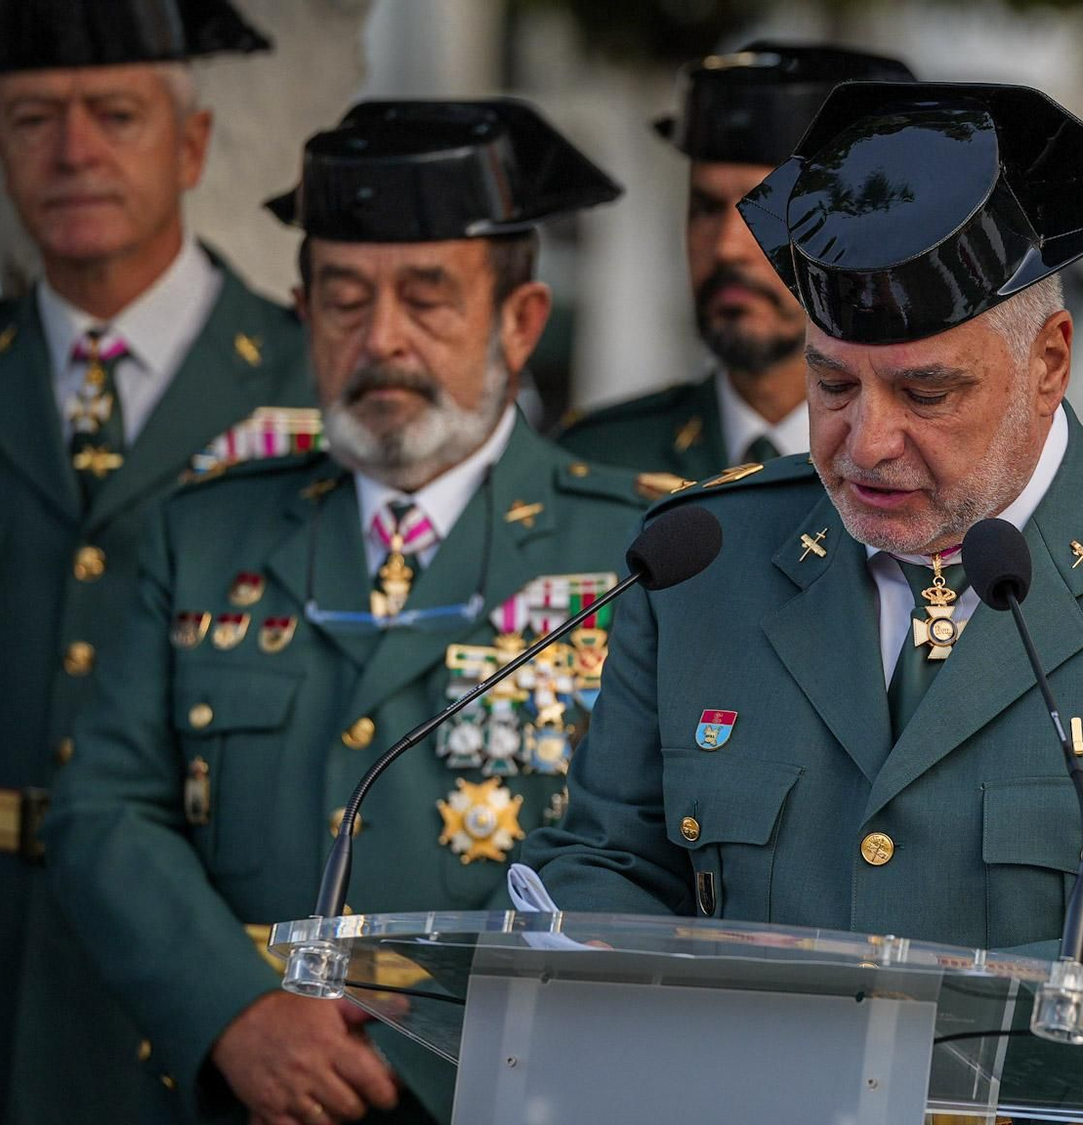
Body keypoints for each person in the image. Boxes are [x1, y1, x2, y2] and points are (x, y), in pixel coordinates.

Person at [518, 81, 1083, 1125]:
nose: (866, 443)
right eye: (832, 386)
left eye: (926, 394)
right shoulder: (705, 561)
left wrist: (952, 1026)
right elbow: (606, 861)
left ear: (1049, 365)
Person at [44, 98, 653, 1124]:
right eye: (342, 300)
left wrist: (432, 1045)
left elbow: (654, 853)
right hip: (243, 1094)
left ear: (521, 320)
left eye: (427, 299)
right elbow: (103, 810)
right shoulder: (199, 537)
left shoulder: (638, 558)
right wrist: (234, 1012)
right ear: (302, 313)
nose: (381, 340)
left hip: (509, 1095)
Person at [0, 1, 313, 1119]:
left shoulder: (308, 385)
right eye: (35, 117)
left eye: (115, 114)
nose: (74, 150)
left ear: (189, 145)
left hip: (201, 985)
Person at [556, 42, 913, 483]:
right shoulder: (596, 465)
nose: (727, 247)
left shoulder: (930, 469)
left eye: (770, 211)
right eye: (706, 207)